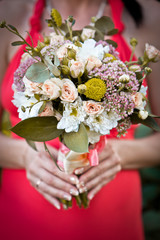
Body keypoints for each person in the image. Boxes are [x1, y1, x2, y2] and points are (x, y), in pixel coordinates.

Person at [0, 0, 160, 239]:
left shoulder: (149, 16)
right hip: (23, 220)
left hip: (113, 223)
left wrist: (120, 154)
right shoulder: (8, 12)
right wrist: (25, 156)